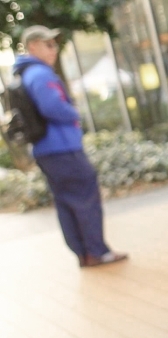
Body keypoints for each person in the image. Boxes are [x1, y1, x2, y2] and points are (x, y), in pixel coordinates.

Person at [13, 25, 127, 268]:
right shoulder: (40, 74)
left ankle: (84, 253)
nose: (54, 49)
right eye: (48, 44)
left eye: (55, 44)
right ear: (33, 46)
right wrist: (74, 112)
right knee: (85, 197)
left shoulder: (26, 74)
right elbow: (52, 107)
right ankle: (96, 252)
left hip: (47, 150)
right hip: (62, 148)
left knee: (66, 202)